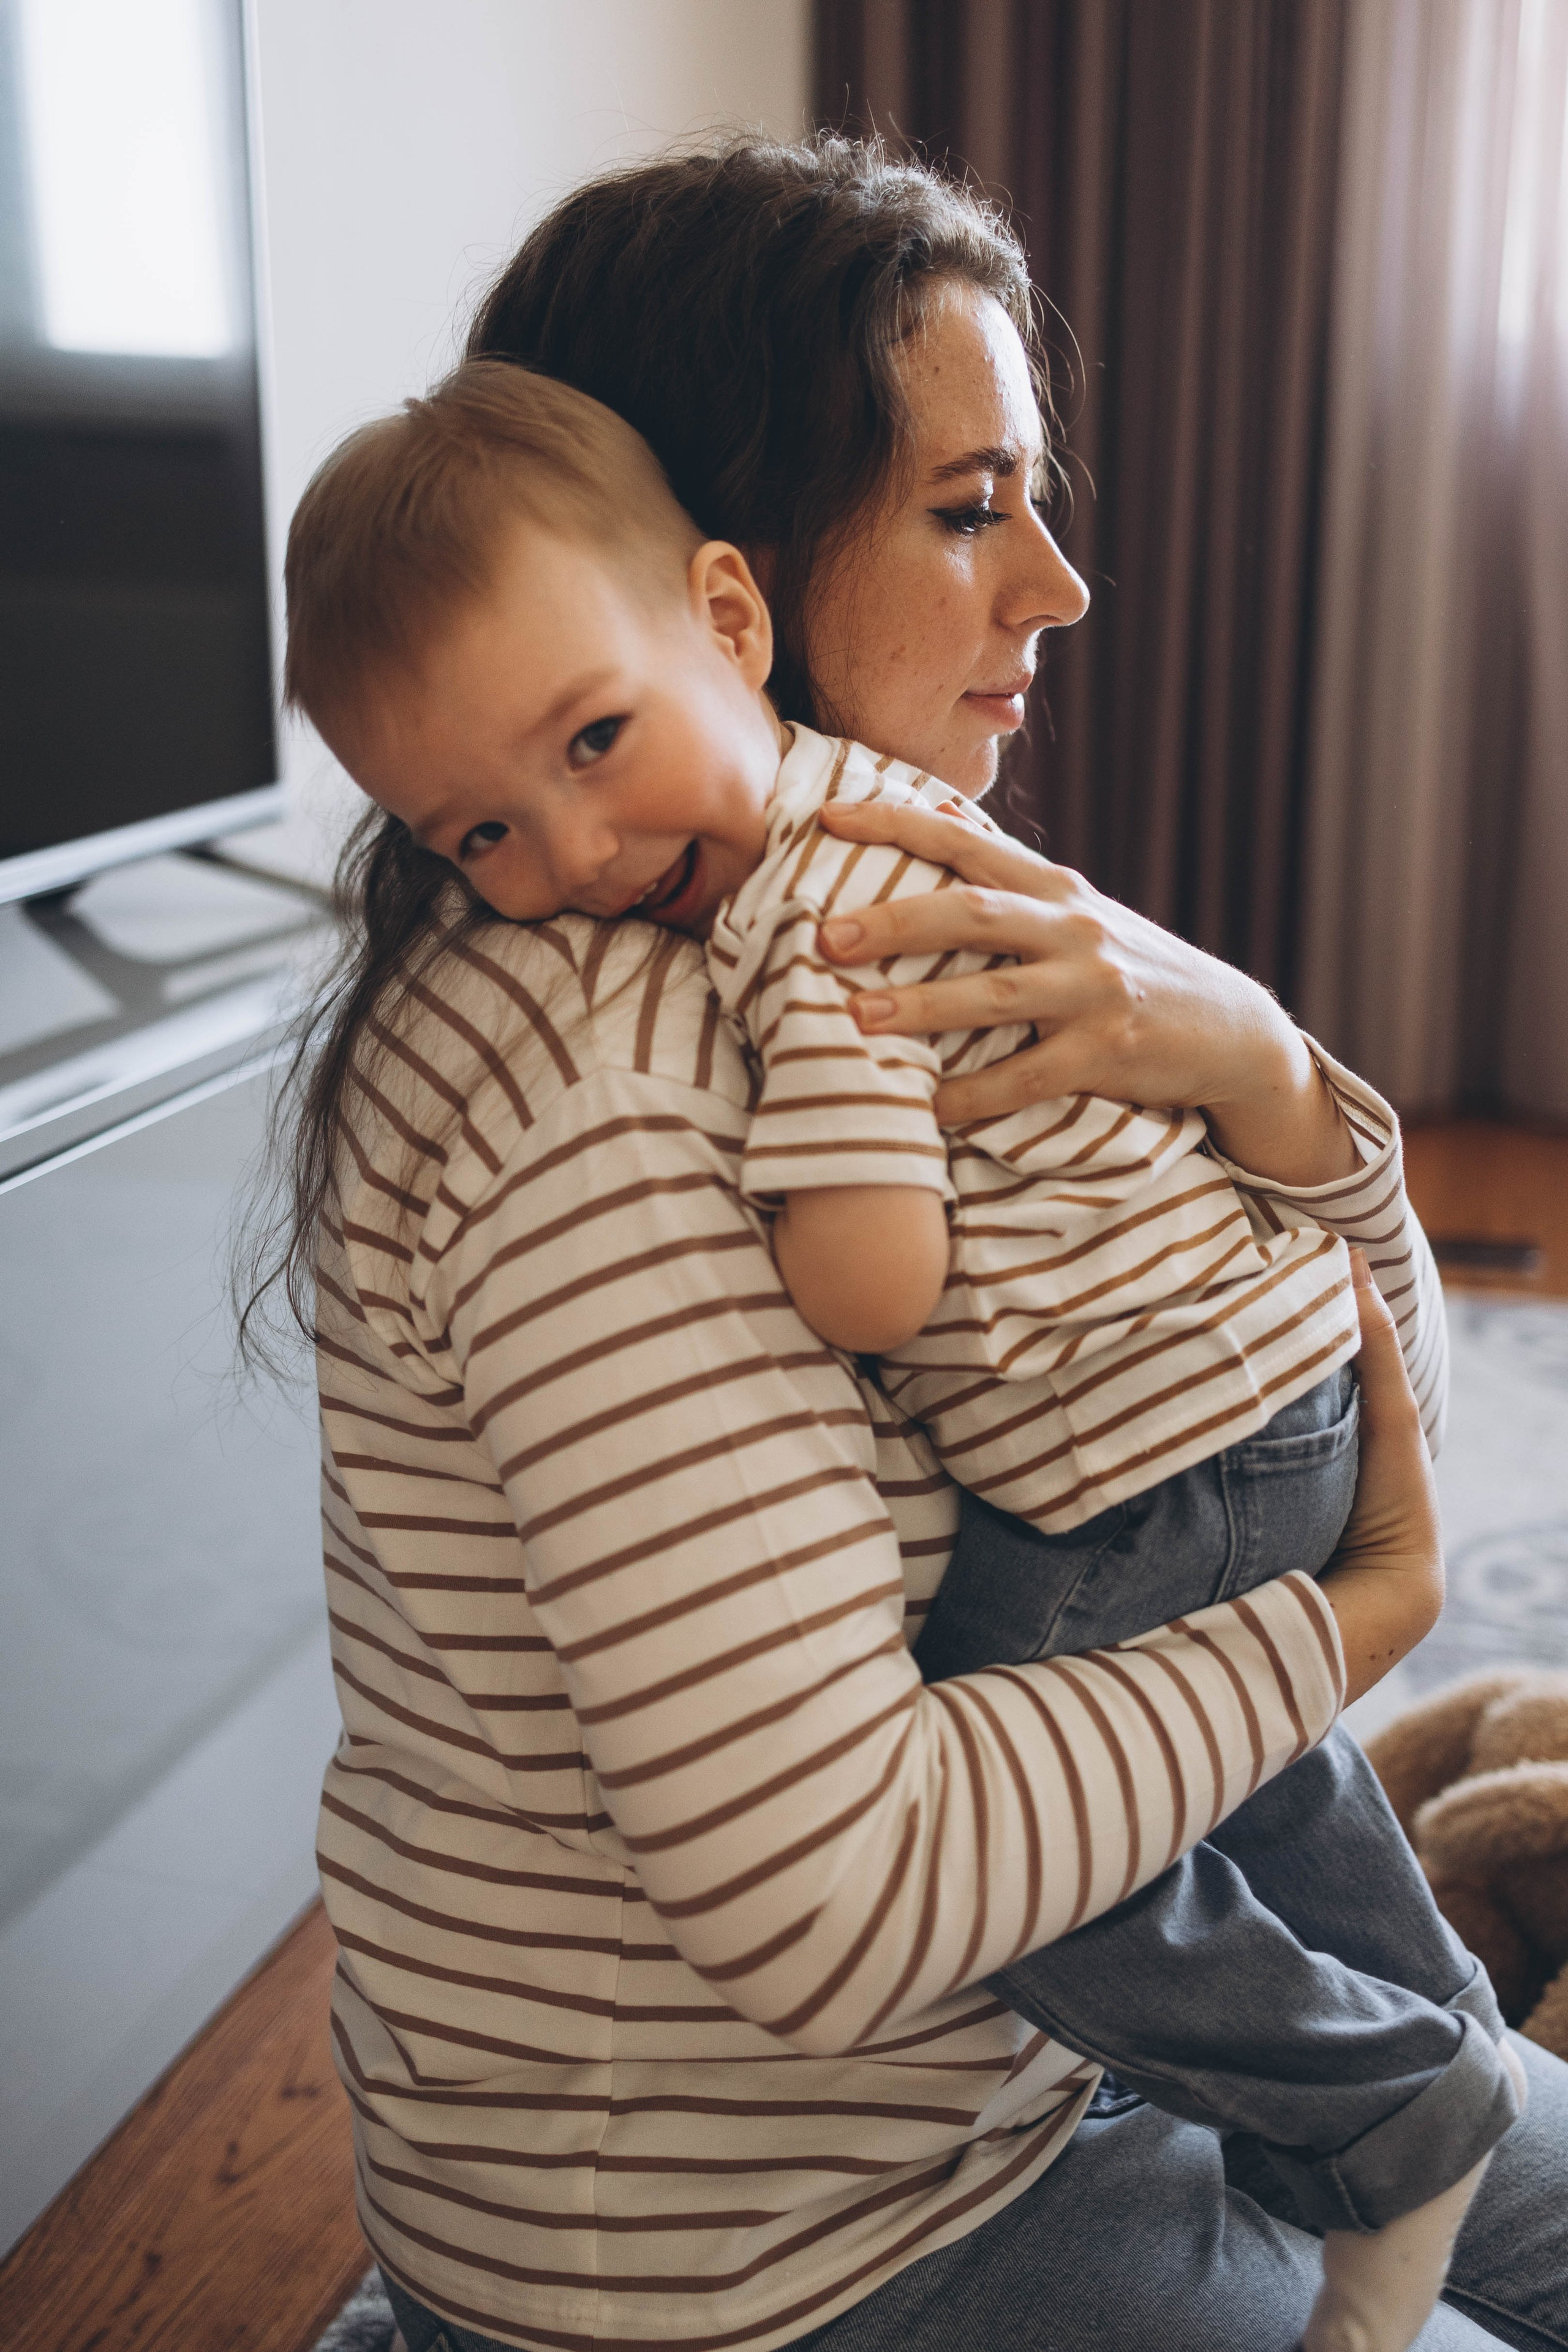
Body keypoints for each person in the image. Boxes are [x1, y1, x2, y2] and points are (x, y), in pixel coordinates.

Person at [257, 136, 1568, 2352]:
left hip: (1050, 2024)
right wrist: (1348, 1633)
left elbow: (1315, 1412)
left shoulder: (878, 873)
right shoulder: (597, 1081)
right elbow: (833, 1897)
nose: (1055, 584)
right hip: (788, 2245)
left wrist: (1260, 1067)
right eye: (971, 507)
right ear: (727, 571)